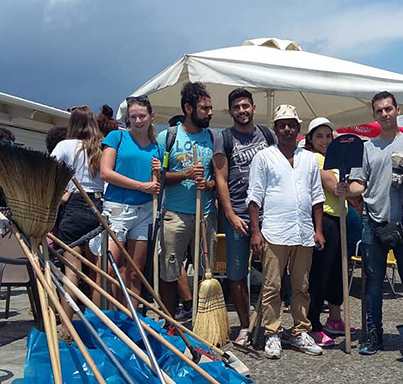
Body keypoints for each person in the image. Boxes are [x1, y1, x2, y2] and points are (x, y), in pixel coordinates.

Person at [335, 91, 403, 355]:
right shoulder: (368, 148)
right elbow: (359, 184)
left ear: (397, 110)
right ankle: (373, 333)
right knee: (372, 281)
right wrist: (345, 189)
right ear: (374, 115)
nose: (384, 114)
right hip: (373, 219)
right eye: (379, 111)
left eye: (388, 109)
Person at [247, 104, 325, 359]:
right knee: (272, 286)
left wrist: (319, 230)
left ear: (299, 128)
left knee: (302, 286)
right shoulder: (264, 157)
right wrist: (256, 232)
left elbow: (317, 197)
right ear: (275, 129)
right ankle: (272, 333)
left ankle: (301, 331)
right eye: (282, 125)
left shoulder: (308, 159)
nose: (287, 129)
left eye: (292, 124)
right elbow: (255, 197)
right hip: (274, 230)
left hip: (303, 232)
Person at [212, 88, 276, 345]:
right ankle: (245, 326)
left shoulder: (267, 134)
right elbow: (220, 178)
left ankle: (270, 324)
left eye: (246, 106)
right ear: (231, 112)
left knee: (273, 273)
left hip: (268, 213)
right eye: (237, 107)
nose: (242, 111)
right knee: (237, 274)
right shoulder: (224, 138)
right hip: (238, 213)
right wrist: (229, 214)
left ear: (253, 108)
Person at [156, 82, 216, 321]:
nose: (210, 113)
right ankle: (170, 325)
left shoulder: (212, 137)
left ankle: (204, 323)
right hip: (175, 215)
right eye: (205, 108)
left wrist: (208, 185)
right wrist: (185, 174)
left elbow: (218, 178)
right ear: (189, 108)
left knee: (206, 273)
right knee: (169, 271)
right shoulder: (168, 137)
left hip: (206, 214)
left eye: (210, 108)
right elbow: (158, 177)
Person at [99, 95, 162, 309]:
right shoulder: (117, 137)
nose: (137, 121)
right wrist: (141, 186)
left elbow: (156, 183)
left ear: (151, 117)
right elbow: (105, 173)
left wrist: (157, 175)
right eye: (133, 117)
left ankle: (132, 323)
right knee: (107, 268)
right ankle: (100, 320)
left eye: (142, 116)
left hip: (144, 211)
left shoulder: (156, 147)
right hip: (117, 208)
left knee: (136, 273)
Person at [50, 106, 104, 339]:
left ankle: (66, 326)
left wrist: (60, 196)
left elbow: (47, 171)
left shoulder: (65, 146)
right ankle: (98, 326)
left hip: (73, 206)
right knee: (96, 274)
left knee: (72, 271)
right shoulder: (101, 148)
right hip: (97, 207)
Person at [303, 117, 355, 347]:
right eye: (319, 136)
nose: (324, 140)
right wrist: (347, 186)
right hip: (324, 219)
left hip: (339, 217)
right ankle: (313, 324)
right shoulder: (315, 158)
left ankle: (334, 319)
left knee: (337, 271)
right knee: (320, 274)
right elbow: (332, 185)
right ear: (311, 139)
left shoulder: (333, 159)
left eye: (328, 135)